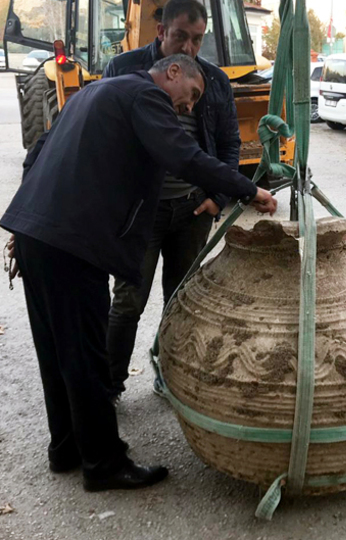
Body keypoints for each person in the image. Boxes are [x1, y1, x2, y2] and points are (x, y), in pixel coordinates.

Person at [0, 54, 277, 492]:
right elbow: (183, 156)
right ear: (172, 73)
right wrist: (248, 188)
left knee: (57, 354)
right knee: (87, 358)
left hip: (37, 236)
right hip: (73, 245)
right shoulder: (144, 95)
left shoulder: (91, 92)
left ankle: (67, 449)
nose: (189, 107)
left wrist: (27, 222)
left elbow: (37, 153)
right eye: (192, 95)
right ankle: (104, 464)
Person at [102, 0, 243, 401]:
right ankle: (109, 387)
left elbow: (229, 143)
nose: (190, 46)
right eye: (181, 35)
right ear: (161, 30)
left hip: (192, 211)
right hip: (140, 213)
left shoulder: (214, 80)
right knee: (128, 302)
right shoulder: (124, 68)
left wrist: (218, 196)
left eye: (198, 39)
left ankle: (170, 374)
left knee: (181, 300)